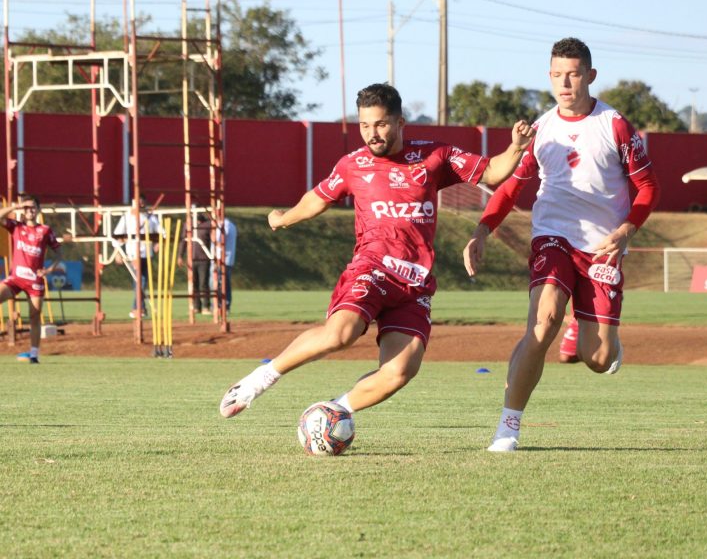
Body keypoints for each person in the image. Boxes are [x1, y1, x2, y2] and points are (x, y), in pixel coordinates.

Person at [219, 83, 534, 423]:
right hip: (372, 268)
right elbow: (318, 198)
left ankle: (331, 414)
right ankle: (259, 380)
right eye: (365, 126)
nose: (372, 133)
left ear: (400, 123)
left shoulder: (433, 156)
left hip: (415, 283)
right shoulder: (352, 164)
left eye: (381, 124)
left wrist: (516, 147)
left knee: (399, 372)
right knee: (341, 334)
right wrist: (283, 218)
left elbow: (492, 172)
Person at [463, 37, 661, 452]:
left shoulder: (615, 125)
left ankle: (597, 334)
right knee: (544, 318)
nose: (564, 83)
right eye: (556, 75)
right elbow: (511, 187)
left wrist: (627, 230)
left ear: (590, 76)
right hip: (553, 236)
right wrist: (483, 230)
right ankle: (507, 428)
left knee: (598, 359)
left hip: (603, 247)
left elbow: (647, 187)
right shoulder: (542, 129)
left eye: (573, 74)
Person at [0, 195, 63, 363]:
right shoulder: (16, 227)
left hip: (34, 282)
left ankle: (34, 354)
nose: (30, 210)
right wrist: (17, 206)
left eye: (33, 207)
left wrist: (49, 269)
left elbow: (59, 252)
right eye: (27, 208)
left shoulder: (45, 230)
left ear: (38, 210)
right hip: (15, 279)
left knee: (35, 316)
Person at [112, 194, 160, 318]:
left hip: (147, 253)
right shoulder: (127, 217)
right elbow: (117, 234)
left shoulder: (151, 217)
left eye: (142, 203)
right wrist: (117, 251)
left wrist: (158, 242)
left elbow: (160, 231)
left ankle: (140, 308)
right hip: (133, 252)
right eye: (137, 203)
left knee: (142, 281)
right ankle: (137, 308)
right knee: (140, 280)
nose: (140, 205)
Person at [177, 212, 213, 315]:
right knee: (194, 284)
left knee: (203, 284)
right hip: (191, 259)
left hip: (204, 259)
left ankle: (206, 306)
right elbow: (183, 241)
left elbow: (215, 239)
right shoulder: (188, 225)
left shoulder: (207, 225)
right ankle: (197, 307)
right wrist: (180, 255)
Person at [212, 216, 237, 312]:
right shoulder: (230, 224)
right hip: (226, 259)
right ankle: (224, 305)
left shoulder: (225, 225)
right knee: (224, 283)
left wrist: (213, 237)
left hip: (224, 259)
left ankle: (223, 305)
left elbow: (221, 239)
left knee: (222, 283)